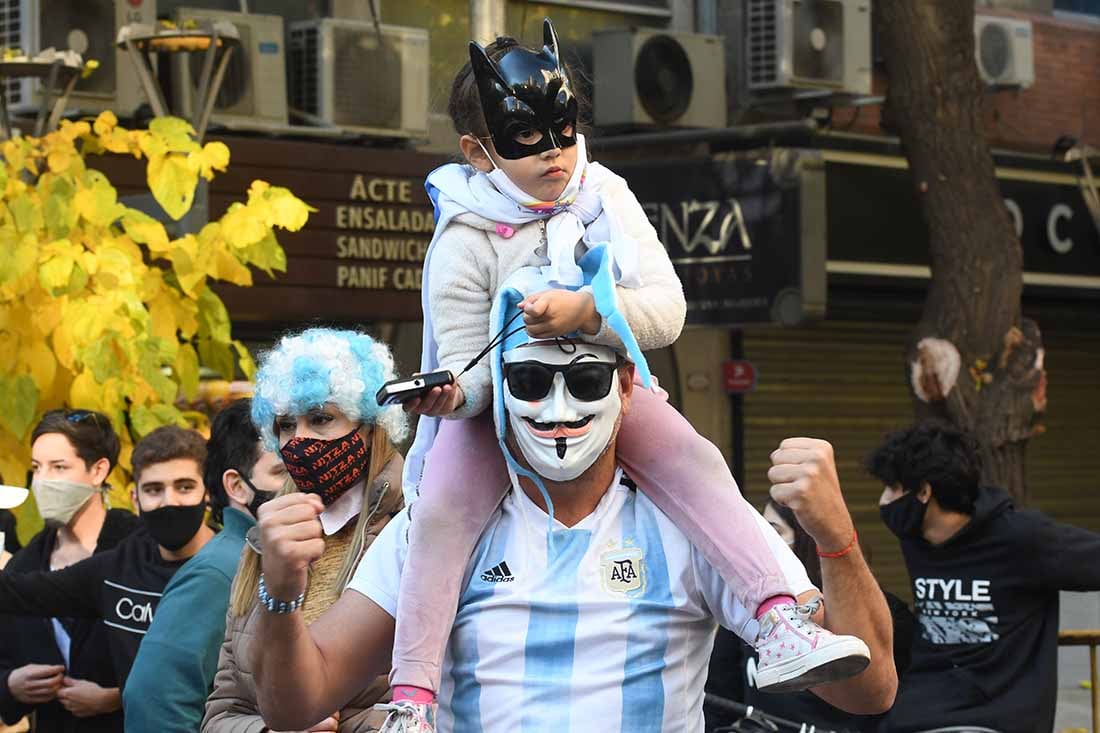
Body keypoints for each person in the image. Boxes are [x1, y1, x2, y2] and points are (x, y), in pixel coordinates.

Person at [388, 19, 869, 727]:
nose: (555, 154)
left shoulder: (605, 195)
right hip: (502, 418)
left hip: (613, 390)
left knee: (699, 463)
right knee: (438, 517)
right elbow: (469, 366)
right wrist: (454, 392)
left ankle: (779, 619)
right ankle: (411, 701)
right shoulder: (463, 238)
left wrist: (592, 314)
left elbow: (667, 311)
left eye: (565, 130)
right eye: (528, 140)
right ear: (477, 151)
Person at [247, 314, 896, 732]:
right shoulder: (439, 529)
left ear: (627, 388)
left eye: (585, 379)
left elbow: (868, 692)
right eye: (529, 378)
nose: (557, 407)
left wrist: (836, 540)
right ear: (499, 390)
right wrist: (280, 593)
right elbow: (295, 705)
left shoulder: (698, 519)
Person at [201, 329, 405, 733]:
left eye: (321, 419)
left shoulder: (413, 527)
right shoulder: (267, 540)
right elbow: (222, 711)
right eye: (285, 426)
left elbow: (435, 702)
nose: (300, 441)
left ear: (370, 424)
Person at [869, 420, 1100, 733]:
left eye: (893, 488)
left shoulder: (1023, 538)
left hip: (994, 718)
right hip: (915, 713)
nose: (883, 500)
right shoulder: (915, 538)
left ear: (924, 491)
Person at [0, 424, 216, 695]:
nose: (168, 501)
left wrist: (113, 700)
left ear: (207, 492)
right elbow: (23, 593)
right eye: (153, 490)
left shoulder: (237, 568)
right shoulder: (122, 565)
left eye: (184, 487)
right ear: (135, 498)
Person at [123, 399, 286, 732]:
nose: (300, 483)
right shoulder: (219, 572)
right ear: (237, 487)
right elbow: (153, 701)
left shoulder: (258, 560)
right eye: (281, 472)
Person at [706, 500, 917, 733]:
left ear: (808, 536)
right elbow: (718, 701)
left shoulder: (887, 612)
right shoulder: (749, 609)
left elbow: (895, 702)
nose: (762, 545)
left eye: (774, 532)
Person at [1, 410, 140, 733]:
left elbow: (183, 662)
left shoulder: (139, 550)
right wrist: (10, 684)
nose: (43, 480)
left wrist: (117, 697)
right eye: (37, 468)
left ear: (99, 470)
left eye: (59, 467)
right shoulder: (25, 566)